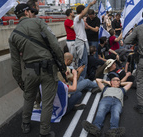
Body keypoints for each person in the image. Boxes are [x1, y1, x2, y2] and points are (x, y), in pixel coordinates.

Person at [9, 4, 64, 137]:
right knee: (46, 102)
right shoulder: (39, 22)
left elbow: (15, 63)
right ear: (27, 12)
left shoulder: (13, 35)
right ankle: (44, 132)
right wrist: (62, 64)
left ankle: (25, 124)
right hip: (48, 69)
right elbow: (55, 44)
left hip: (29, 71)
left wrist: (19, 80)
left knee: (29, 98)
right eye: (31, 11)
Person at [73, 0, 97, 78]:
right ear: (82, 11)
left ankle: (80, 78)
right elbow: (82, 15)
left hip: (83, 42)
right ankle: (81, 79)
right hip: (81, 42)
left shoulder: (81, 20)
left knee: (83, 62)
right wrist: (90, 4)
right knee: (83, 63)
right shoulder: (77, 18)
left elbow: (84, 28)